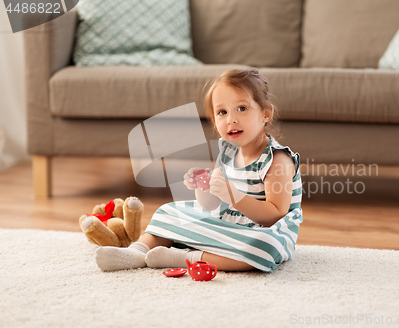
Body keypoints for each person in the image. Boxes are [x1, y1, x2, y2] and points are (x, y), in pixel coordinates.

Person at [95, 68, 303, 272]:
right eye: (222, 112)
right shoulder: (228, 151)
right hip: (228, 224)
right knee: (169, 211)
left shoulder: (277, 159)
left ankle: (185, 257)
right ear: (214, 120)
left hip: (262, 232)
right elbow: (210, 204)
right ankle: (137, 251)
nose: (231, 119)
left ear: (266, 114)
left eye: (242, 108)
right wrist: (201, 188)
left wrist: (233, 195)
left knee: (263, 248)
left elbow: (276, 215)